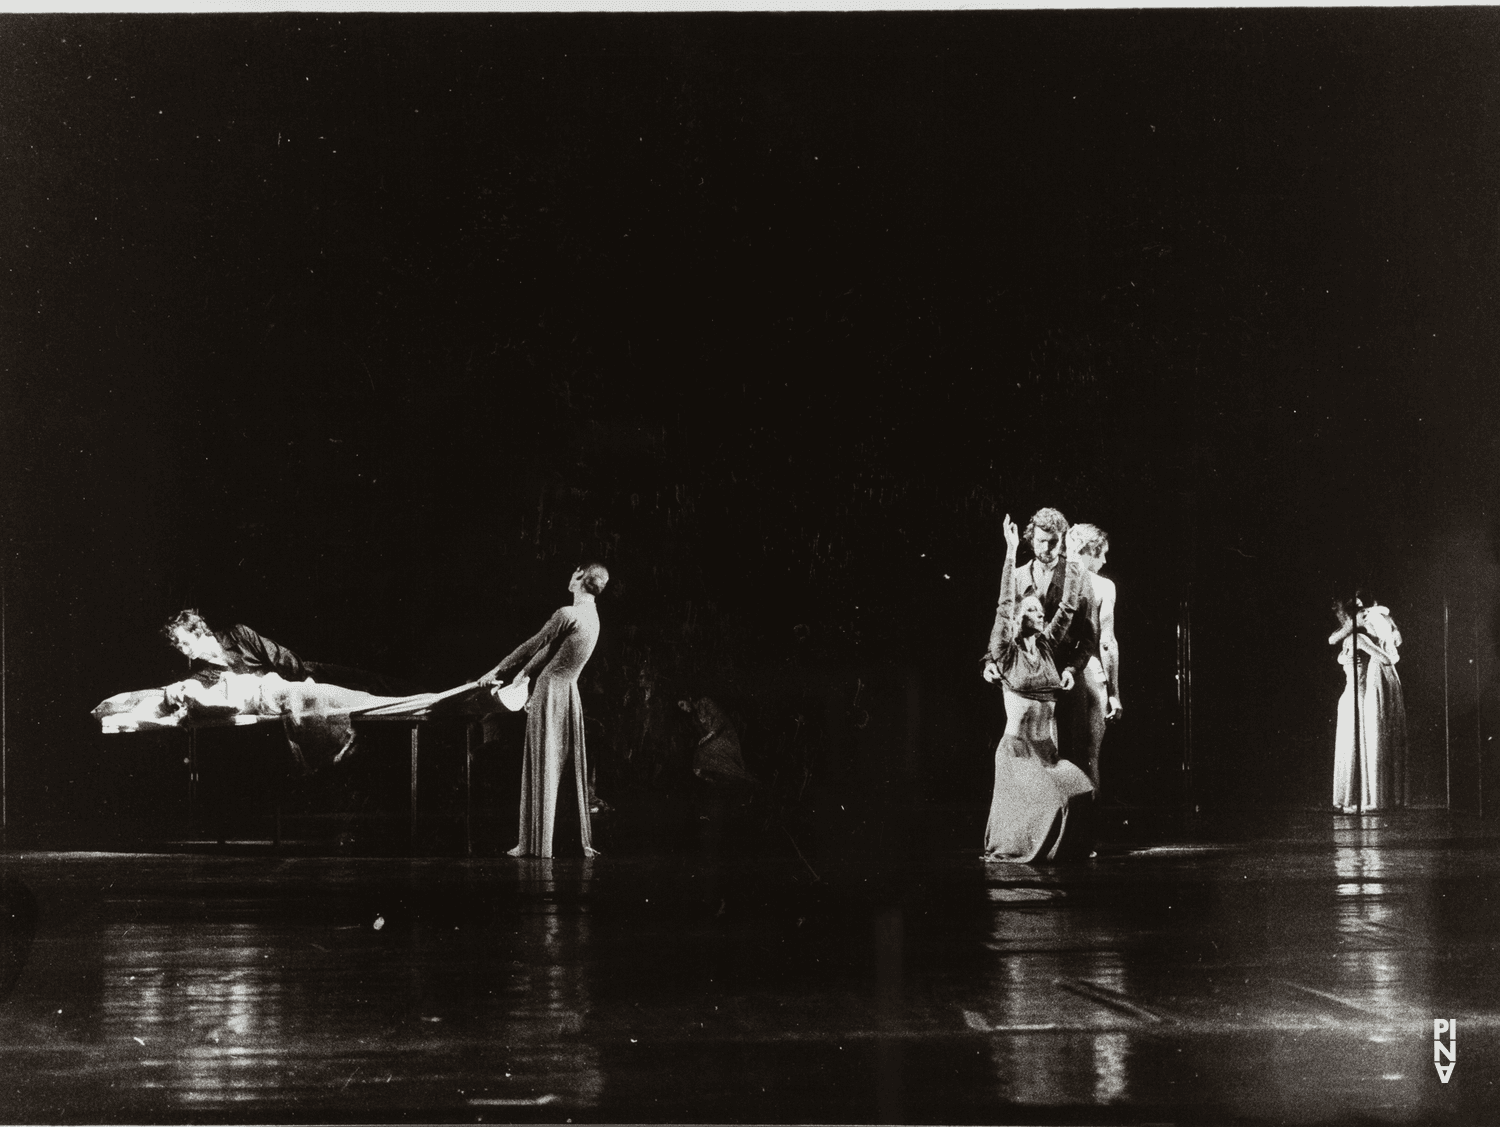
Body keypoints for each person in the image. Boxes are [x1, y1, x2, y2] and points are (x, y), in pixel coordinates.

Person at [979, 514, 1094, 862]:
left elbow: (1070, 614)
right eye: (1030, 609)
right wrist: (1011, 551)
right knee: (1053, 800)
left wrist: (1071, 668)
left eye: (1053, 542)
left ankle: (1065, 847)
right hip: (1019, 748)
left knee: (1081, 790)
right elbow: (1002, 612)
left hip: (1049, 726)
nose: (1039, 612)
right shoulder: (1009, 646)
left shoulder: (1045, 645)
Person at [479, 563, 609, 858]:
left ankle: (533, 843)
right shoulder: (592, 617)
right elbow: (551, 650)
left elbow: (534, 643)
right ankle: (543, 841)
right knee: (555, 765)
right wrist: (524, 673)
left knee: (541, 763)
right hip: (568, 694)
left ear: (578, 576)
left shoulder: (567, 613)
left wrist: (497, 669)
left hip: (550, 691)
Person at [162, 610, 419, 697]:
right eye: (179, 648)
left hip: (304, 675)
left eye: (185, 643)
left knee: (371, 681)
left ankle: (438, 690)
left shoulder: (237, 635)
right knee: (364, 695)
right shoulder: (205, 671)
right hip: (291, 698)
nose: (185, 651)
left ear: (198, 631)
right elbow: (191, 685)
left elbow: (281, 657)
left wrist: (304, 683)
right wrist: (179, 686)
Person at [1059, 523, 1122, 793]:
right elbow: (1106, 643)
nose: (1105, 560)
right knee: (1090, 756)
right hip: (1090, 672)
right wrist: (1115, 692)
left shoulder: (1055, 578)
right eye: (1102, 553)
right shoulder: (1103, 586)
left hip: (1055, 671)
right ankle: (1087, 827)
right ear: (1089, 550)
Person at [1330, 596, 1408, 812]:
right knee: (1360, 743)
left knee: (1371, 739)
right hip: (1358, 691)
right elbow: (1334, 640)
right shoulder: (1356, 634)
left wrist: (1372, 645)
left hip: (1370, 685)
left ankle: (1372, 797)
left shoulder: (1366, 633)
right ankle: (1361, 797)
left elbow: (1389, 656)